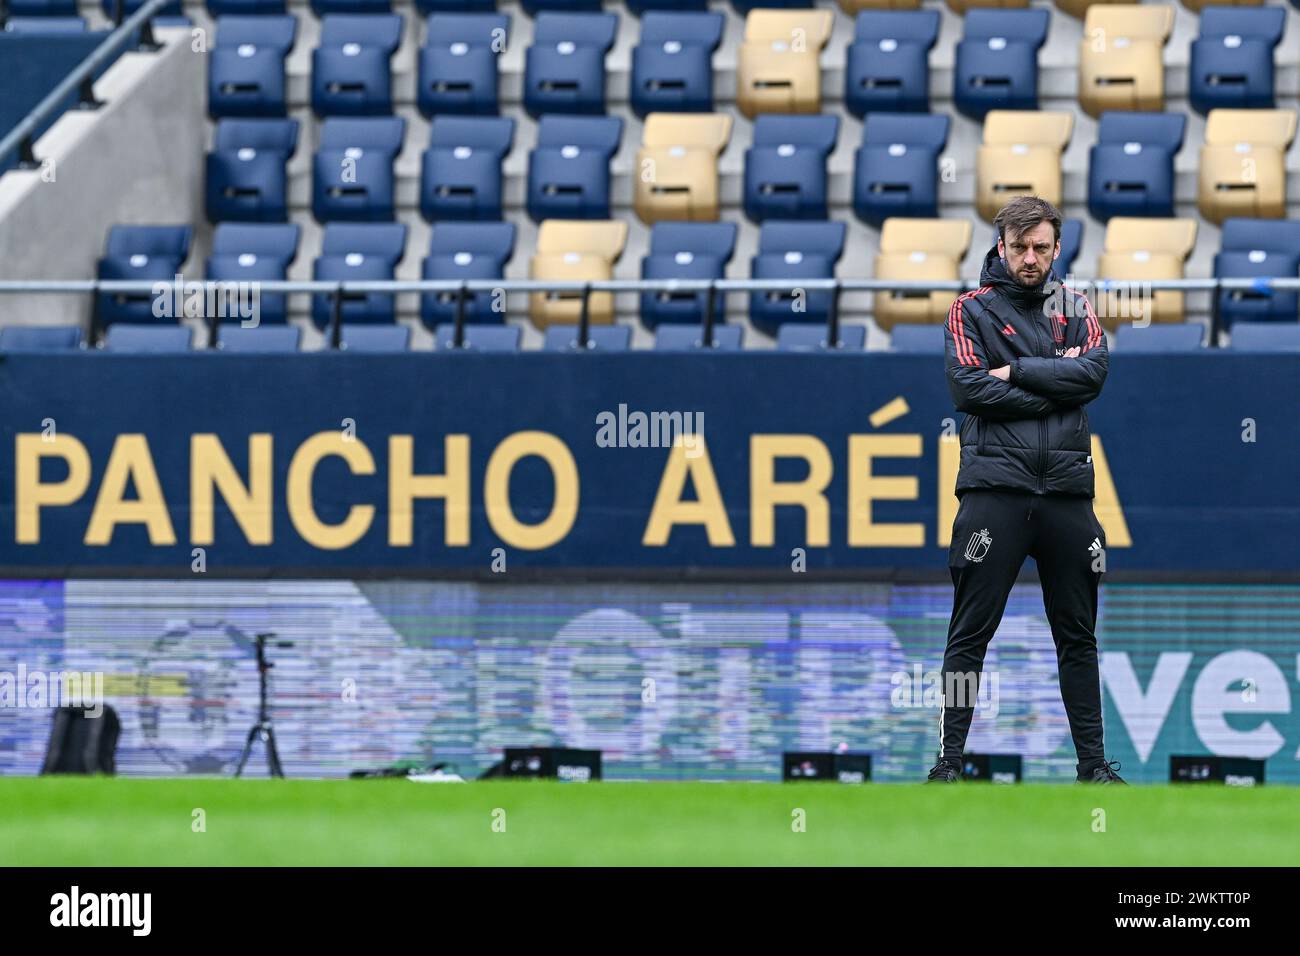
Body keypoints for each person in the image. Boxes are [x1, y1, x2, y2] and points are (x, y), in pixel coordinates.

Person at [928, 195, 1124, 784]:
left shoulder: (1078, 305)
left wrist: (1015, 371)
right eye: (1020, 247)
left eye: (1041, 247)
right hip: (995, 491)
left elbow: (1093, 374)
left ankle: (1093, 768)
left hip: (1067, 494)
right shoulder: (970, 309)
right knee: (970, 632)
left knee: (1078, 637)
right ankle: (950, 764)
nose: (1031, 257)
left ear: (1057, 247)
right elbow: (967, 389)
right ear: (1001, 247)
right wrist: (1055, 385)